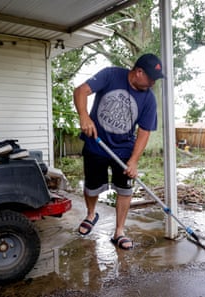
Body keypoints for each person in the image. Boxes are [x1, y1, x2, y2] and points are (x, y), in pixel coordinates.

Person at [73, 53, 164, 250]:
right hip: (96, 143)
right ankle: (91, 215)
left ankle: (119, 231)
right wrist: (84, 116)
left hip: (123, 149)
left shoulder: (149, 99)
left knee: (124, 190)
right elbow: (80, 91)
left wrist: (134, 160)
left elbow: (145, 131)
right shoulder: (110, 75)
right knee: (92, 186)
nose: (153, 84)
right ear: (139, 72)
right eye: (151, 79)